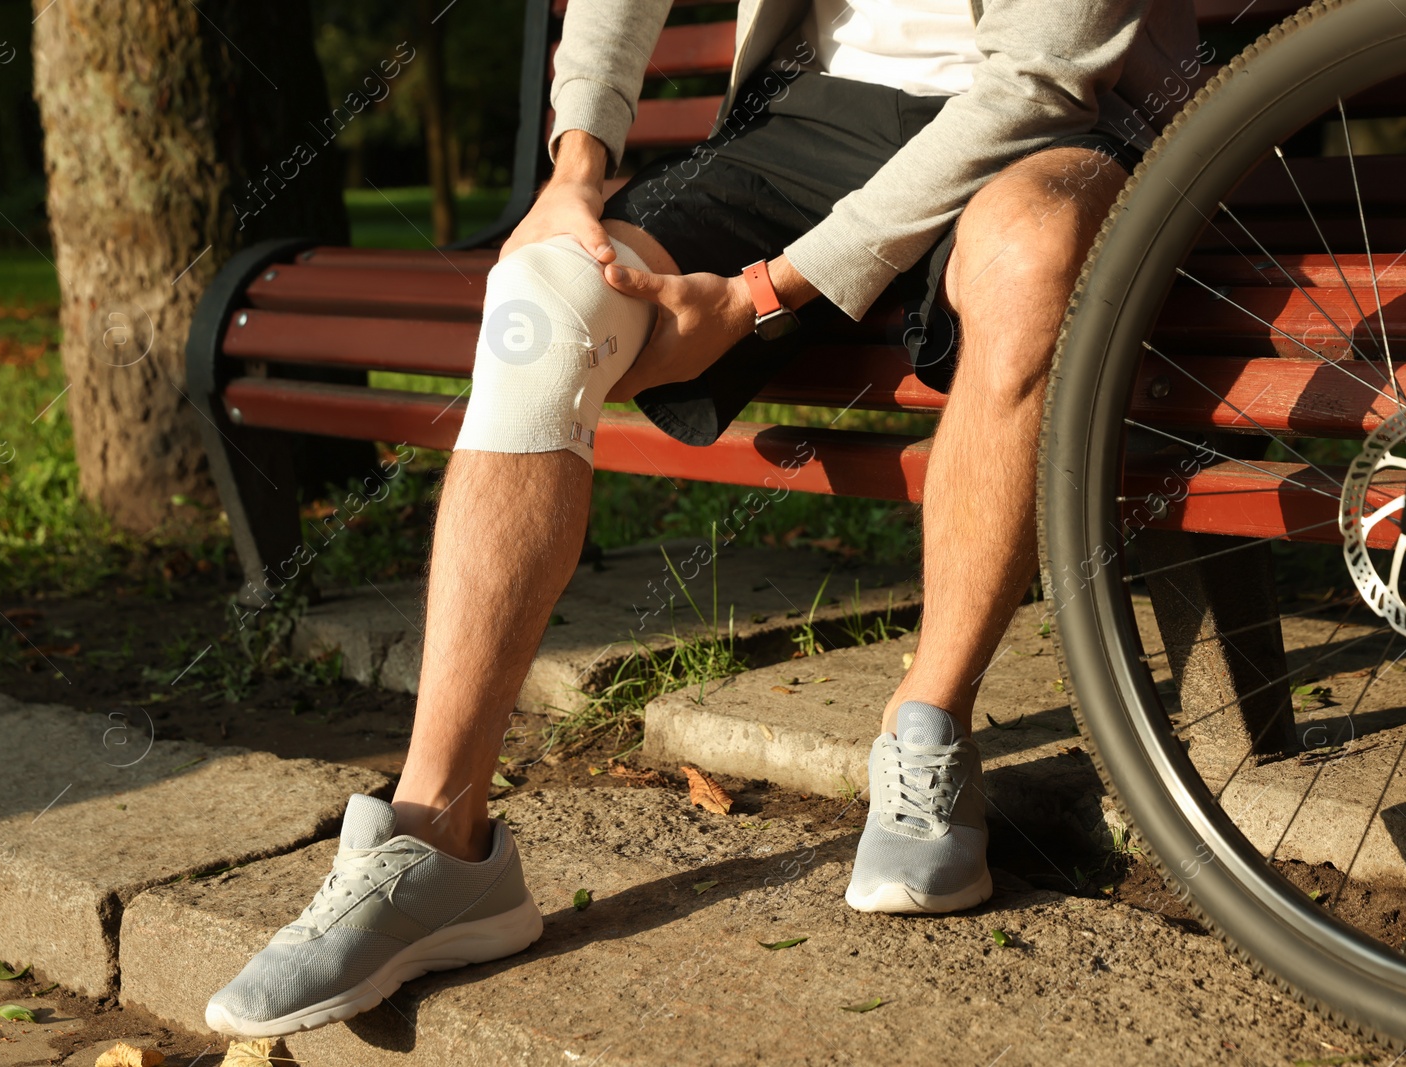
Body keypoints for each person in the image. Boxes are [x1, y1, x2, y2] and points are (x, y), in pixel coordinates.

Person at [205, 0, 1200, 1037]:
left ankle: (927, 729)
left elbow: (1042, 73)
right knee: (542, 296)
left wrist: (764, 293)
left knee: (1030, 255)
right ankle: (436, 837)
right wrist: (575, 167)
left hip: (1056, 123)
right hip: (826, 112)